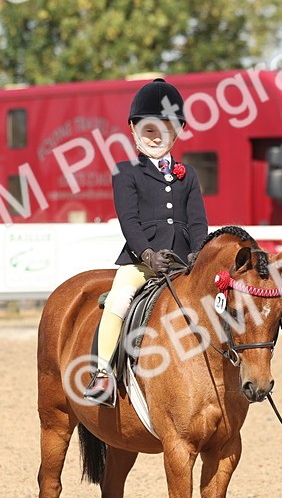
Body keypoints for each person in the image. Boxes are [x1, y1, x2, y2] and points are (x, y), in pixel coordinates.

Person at [83, 78, 209, 405]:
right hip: (142, 261)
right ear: (134, 131)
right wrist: (147, 254)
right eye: (149, 130)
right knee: (119, 299)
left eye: (164, 130)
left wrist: (199, 254)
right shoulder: (126, 173)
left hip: (183, 262)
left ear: (177, 131)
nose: (156, 137)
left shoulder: (188, 174)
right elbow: (130, 221)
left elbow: (197, 220)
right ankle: (103, 375)